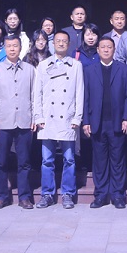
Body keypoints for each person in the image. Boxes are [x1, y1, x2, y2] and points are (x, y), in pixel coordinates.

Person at [33, 30, 84, 209]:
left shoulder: (76, 65)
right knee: (47, 160)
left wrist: (77, 117)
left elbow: (80, 92)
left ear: (69, 44)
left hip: (68, 118)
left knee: (69, 159)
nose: (61, 43)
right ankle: (47, 194)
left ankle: (68, 193)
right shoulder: (43, 65)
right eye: (58, 41)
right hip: (47, 118)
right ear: (52, 44)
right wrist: (38, 116)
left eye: (64, 41)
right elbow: (37, 93)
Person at [82, 36, 127, 209]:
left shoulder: (123, 69)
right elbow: (85, 97)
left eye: (109, 47)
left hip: (117, 122)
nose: (105, 50)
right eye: (102, 47)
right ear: (98, 50)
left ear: (114, 50)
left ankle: (118, 195)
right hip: (97, 122)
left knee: (118, 160)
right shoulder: (89, 70)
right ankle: (101, 195)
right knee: (100, 161)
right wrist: (86, 121)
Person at [0, 36, 36, 210]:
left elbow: (34, 96)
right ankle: (1, 197)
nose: (12, 49)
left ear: (20, 48)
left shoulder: (30, 69)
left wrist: (34, 118)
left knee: (24, 162)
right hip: (3, 122)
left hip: (24, 121)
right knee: (1, 162)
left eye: (15, 46)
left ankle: (24, 197)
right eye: (9, 46)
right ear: (4, 49)